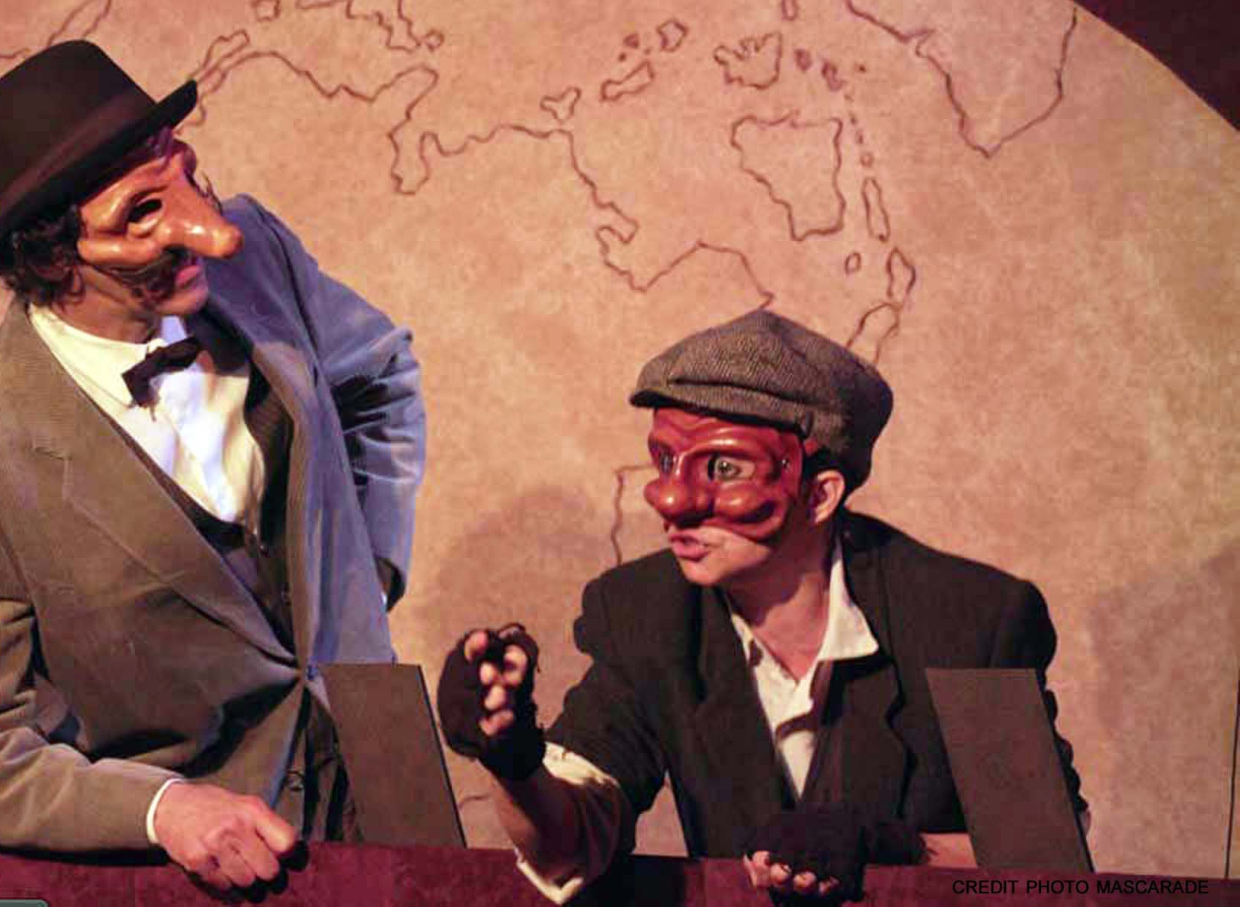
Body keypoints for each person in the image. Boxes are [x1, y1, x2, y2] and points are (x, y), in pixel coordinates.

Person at [0, 41, 424, 892]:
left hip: (389, 786)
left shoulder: (258, 256)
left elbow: (381, 378)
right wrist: (162, 808)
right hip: (211, 871)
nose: (212, 231)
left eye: (189, 178)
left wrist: (369, 568)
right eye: (143, 214)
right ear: (52, 257)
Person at [439, 310, 1086, 903]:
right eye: (666, 460)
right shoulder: (645, 614)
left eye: (723, 469)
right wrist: (513, 761)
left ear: (820, 494)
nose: (672, 501)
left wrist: (898, 849)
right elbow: (571, 841)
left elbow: (1046, 856)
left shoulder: (970, 619)